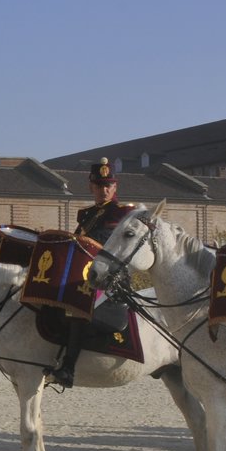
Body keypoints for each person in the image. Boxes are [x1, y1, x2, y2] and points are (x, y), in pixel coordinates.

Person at [51, 157, 138, 388]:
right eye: (99, 186)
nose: (104, 190)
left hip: (111, 282)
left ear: (115, 187)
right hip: (89, 277)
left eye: (108, 185)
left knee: (77, 309)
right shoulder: (87, 215)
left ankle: (68, 369)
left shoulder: (123, 214)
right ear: (92, 187)